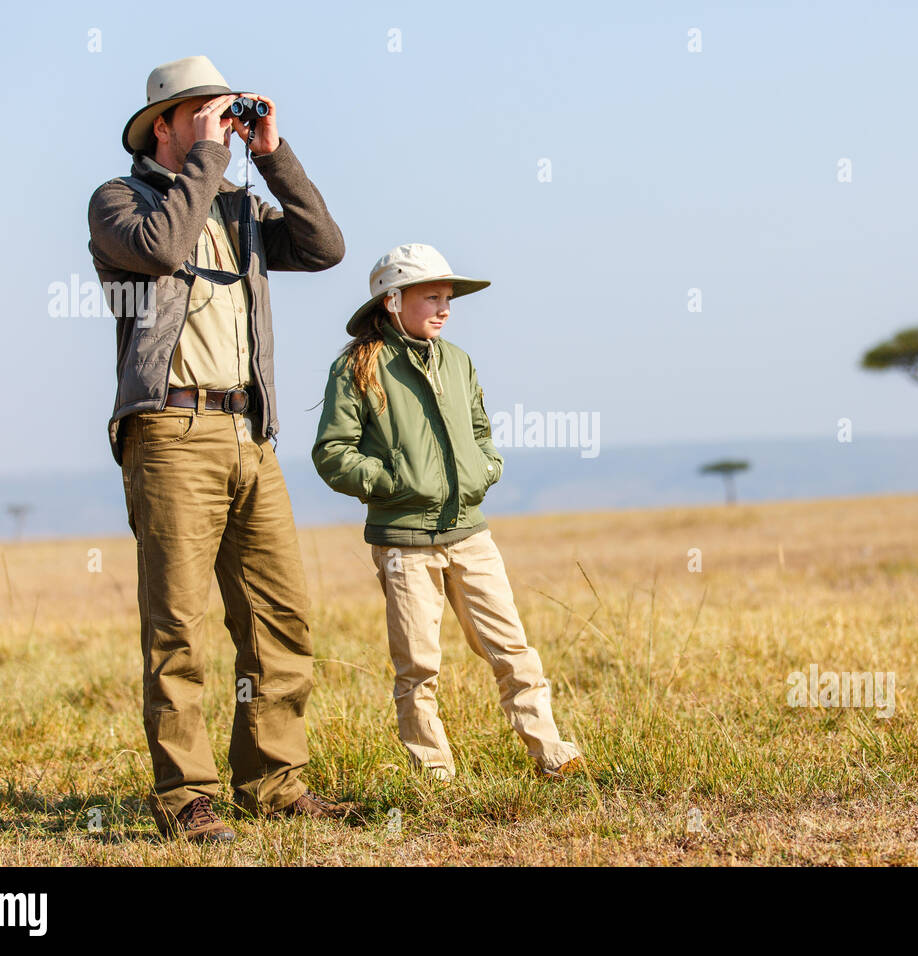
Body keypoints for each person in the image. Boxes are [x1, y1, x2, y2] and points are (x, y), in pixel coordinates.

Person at [88, 55, 349, 841]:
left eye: (221, 109)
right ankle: (185, 798)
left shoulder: (237, 206)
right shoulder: (118, 202)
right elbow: (163, 250)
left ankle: (271, 781)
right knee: (176, 624)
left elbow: (324, 245)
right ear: (161, 126)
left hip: (249, 432)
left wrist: (271, 152)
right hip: (169, 431)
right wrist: (207, 157)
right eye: (198, 111)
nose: (216, 121)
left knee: (280, 617)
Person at [311, 243, 584, 780]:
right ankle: (433, 771)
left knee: (512, 647)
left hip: (470, 534)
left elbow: (481, 431)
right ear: (393, 301)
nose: (445, 308)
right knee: (417, 664)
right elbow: (332, 452)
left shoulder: (457, 361)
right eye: (432, 296)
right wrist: (392, 483)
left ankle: (550, 752)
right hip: (402, 542)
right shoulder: (355, 368)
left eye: (448, 297)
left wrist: (487, 468)